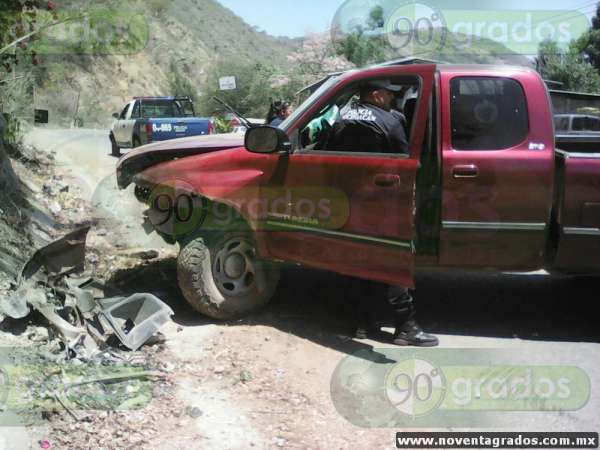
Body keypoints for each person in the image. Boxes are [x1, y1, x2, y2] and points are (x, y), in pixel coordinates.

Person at [327, 79, 439, 347]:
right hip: (381, 201)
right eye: (389, 95)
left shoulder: (342, 118)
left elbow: (328, 152)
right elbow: (405, 162)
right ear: (376, 95)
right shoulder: (390, 121)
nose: (392, 100)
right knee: (392, 260)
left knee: (356, 261)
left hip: (348, 200)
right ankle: (406, 327)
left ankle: (363, 323)